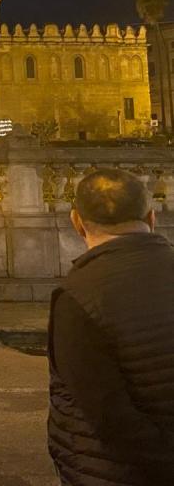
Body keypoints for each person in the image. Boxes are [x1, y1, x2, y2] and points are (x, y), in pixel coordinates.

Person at [48, 167, 174, 485]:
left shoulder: (78, 295)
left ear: (77, 222)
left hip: (118, 472)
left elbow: (106, 413)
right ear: (151, 217)